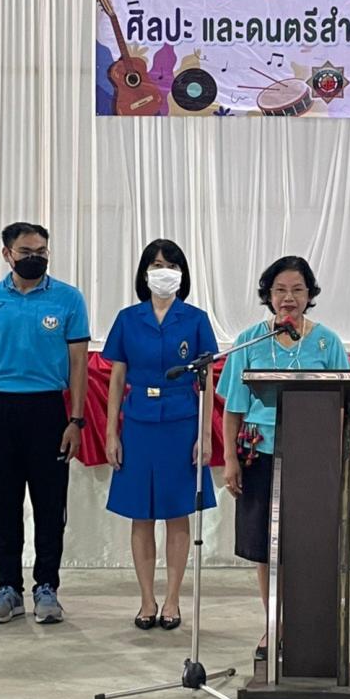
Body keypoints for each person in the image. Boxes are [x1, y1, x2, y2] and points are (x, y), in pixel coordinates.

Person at [217, 256, 350, 659]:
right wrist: (229, 458)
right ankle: (273, 624)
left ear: (310, 295)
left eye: (297, 290)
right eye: (280, 290)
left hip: (312, 456)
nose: (288, 298)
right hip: (259, 454)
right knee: (265, 546)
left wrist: (335, 458)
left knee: (307, 544)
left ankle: (308, 625)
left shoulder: (327, 342)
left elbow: (345, 403)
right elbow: (233, 408)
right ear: (268, 295)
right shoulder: (249, 341)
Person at [0, 222, 90, 625]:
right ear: (7, 254)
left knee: (50, 507)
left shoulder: (68, 299)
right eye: (26, 251)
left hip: (49, 412)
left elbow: (78, 363)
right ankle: (8, 589)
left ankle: (46, 587)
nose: (34, 258)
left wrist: (75, 420)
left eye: (41, 251)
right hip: (0, 411)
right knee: (4, 506)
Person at [103, 239, 218, 630]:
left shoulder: (195, 319)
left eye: (170, 264)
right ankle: (146, 600)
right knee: (141, 513)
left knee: (176, 511)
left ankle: (172, 599)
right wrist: (111, 432)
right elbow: (117, 377)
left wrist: (205, 433)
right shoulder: (128, 318)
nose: (163, 271)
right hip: (138, 421)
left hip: (181, 420)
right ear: (144, 273)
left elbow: (207, 379)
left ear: (182, 273)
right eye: (155, 264)